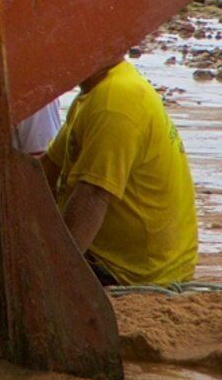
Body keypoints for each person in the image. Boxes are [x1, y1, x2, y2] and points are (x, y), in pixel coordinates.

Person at [41, 57, 197, 288]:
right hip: (124, 261)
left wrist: (50, 279)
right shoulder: (96, 92)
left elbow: (92, 197)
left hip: (129, 272)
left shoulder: (114, 100)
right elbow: (41, 175)